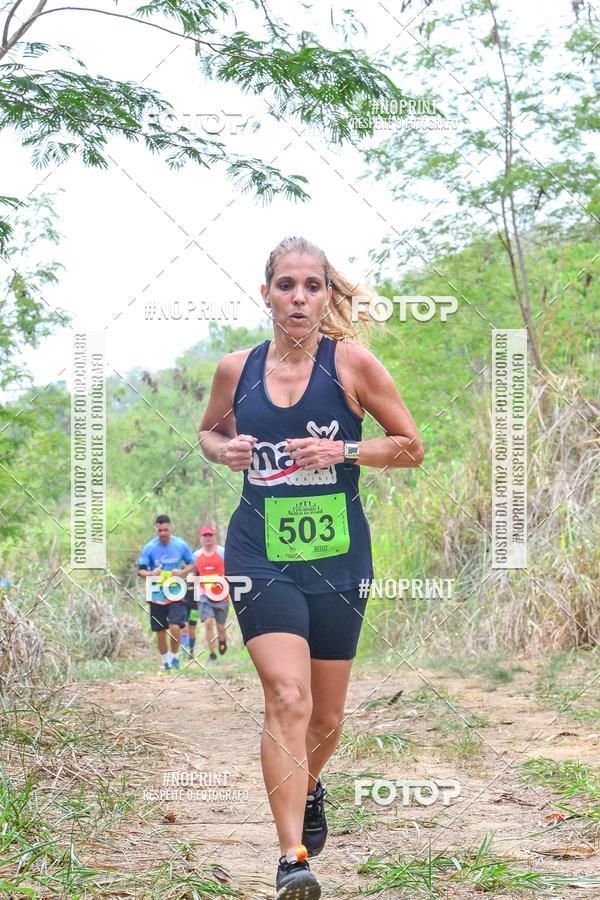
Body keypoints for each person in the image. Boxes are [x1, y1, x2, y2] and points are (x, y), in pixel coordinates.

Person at [199, 236, 424, 899]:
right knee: (287, 698)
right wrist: (224, 451)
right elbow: (209, 431)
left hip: (337, 557)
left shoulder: (352, 365)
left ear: (327, 295)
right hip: (258, 554)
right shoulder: (234, 369)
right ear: (265, 292)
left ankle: (310, 783)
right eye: (286, 285)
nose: (299, 297)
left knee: (326, 719)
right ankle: (293, 858)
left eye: (312, 286)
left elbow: (411, 447)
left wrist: (344, 451)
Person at [137, 514, 196, 674]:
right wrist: (150, 574)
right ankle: (165, 662)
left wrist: (182, 572)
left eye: (166, 530)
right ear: (156, 530)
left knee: (176, 626)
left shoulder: (180, 545)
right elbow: (140, 571)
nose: (163, 533)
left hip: (176, 593)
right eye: (160, 530)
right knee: (160, 630)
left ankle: (175, 656)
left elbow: (192, 563)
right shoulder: (149, 547)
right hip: (156, 595)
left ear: (170, 529)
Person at [192, 525, 229, 662]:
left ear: (214, 536)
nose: (207, 538)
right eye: (205, 536)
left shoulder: (223, 552)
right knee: (208, 623)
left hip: (221, 594)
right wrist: (191, 577)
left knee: (220, 627)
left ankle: (223, 641)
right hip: (203, 594)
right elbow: (192, 572)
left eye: (210, 535)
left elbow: (231, 569)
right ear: (201, 538)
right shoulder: (196, 555)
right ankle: (212, 655)